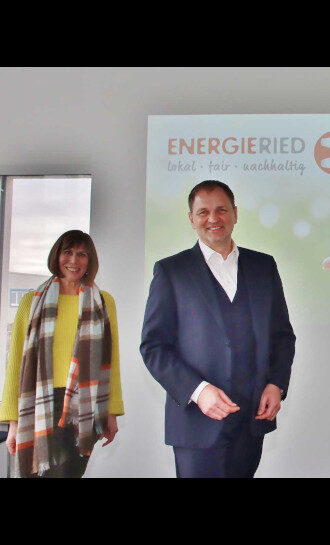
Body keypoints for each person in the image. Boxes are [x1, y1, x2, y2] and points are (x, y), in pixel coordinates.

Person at [140, 179, 295, 478]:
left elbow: (282, 337)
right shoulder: (171, 271)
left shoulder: (264, 267)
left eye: (222, 210)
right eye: (203, 212)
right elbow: (153, 347)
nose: (213, 219)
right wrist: (198, 392)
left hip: (251, 420)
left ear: (235, 213)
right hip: (196, 422)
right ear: (191, 218)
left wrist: (276, 384)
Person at [0, 230, 123, 477]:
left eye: (81, 254)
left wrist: (111, 411)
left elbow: (112, 360)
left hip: (83, 407)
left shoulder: (102, 301)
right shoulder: (31, 301)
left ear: (90, 261)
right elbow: (16, 363)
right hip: (38, 405)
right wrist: (13, 422)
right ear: (57, 256)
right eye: (67, 252)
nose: (74, 261)